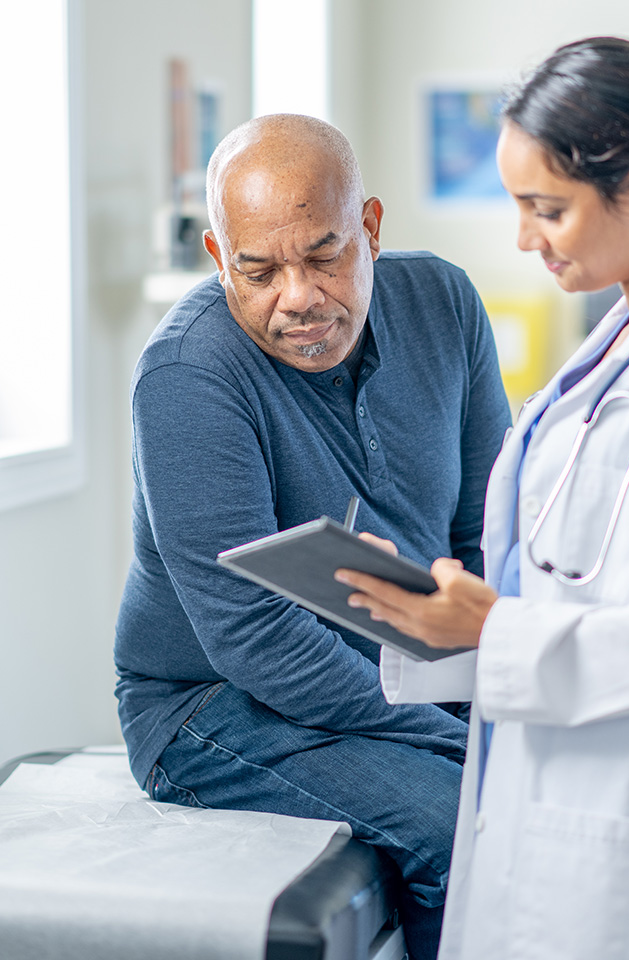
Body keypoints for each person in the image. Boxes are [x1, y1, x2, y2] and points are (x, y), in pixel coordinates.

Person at [337, 37, 629, 960]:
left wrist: (498, 633)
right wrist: (449, 627)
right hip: (557, 798)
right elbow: (574, 585)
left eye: (546, 209)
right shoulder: (616, 343)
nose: (524, 238)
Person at [113, 114, 512, 960]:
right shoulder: (189, 374)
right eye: (258, 271)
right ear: (222, 263)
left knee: (551, 787)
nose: (297, 297)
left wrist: (501, 694)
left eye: (323, 256)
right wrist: (452, 733)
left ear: (369, 227)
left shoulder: (444, 303)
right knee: (467, 821)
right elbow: (253, 636)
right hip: (214, 704)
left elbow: (485, 536)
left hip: (403, 667)